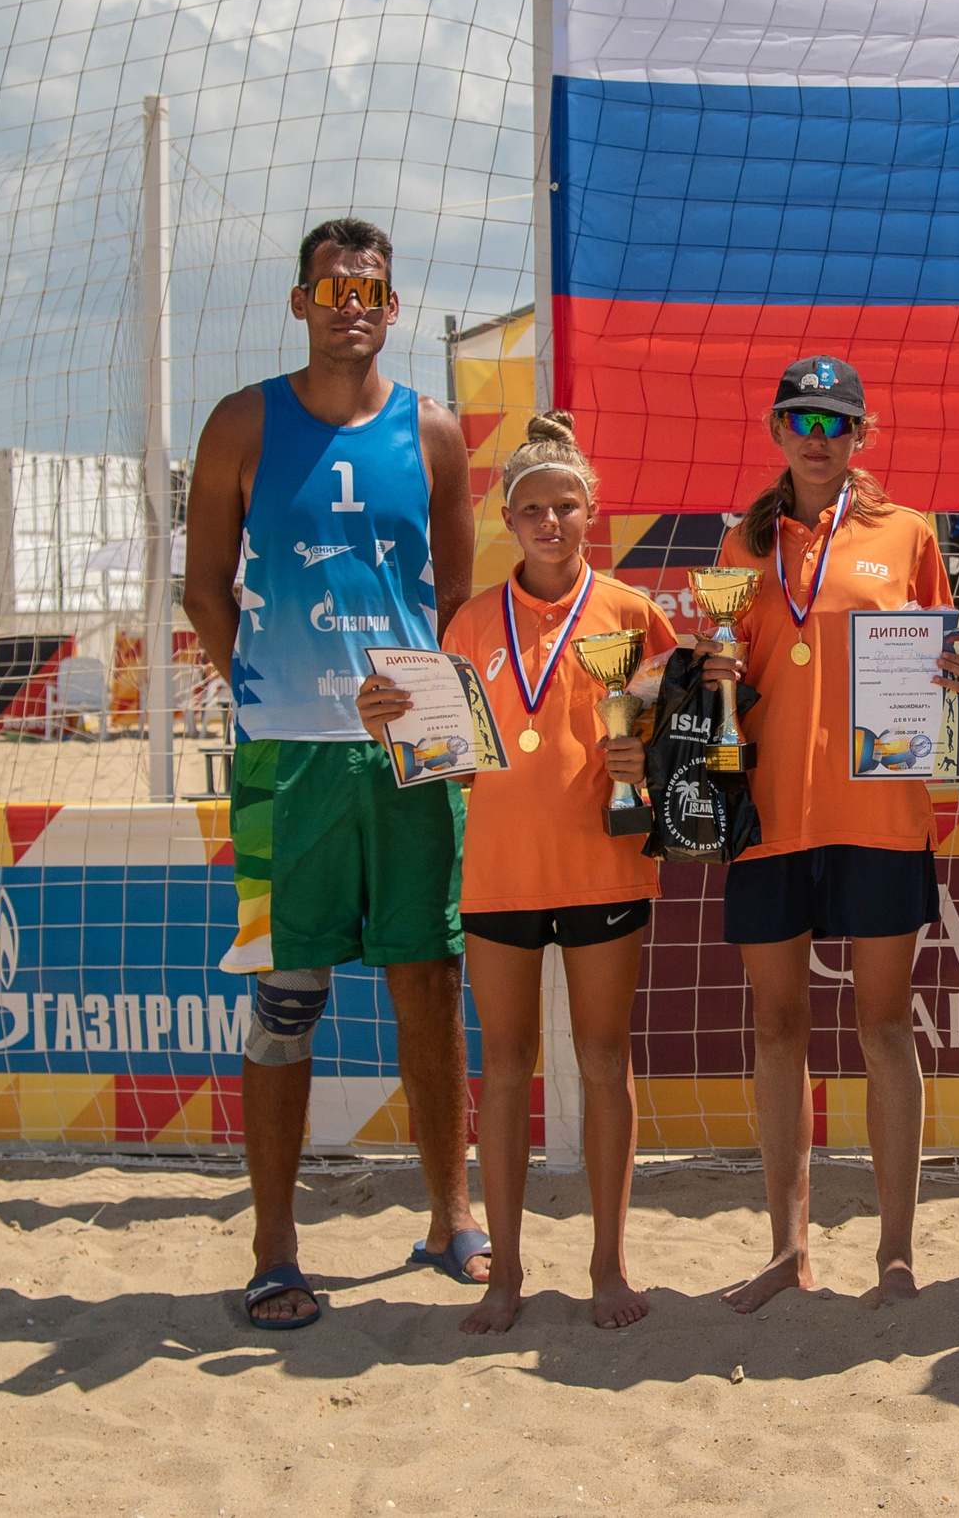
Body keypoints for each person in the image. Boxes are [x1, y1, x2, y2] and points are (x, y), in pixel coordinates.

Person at [180, 218, 487, 1329]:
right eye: (330, 289)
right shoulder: (242, 421)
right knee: (286, 996)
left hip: (410, 759)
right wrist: (267, 692)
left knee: (426, 982)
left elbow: (455, 597)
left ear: (392, 308)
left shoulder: (433, 430)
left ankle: (451, 1215)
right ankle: (274, 1248)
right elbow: (203, 588)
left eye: (368, 291)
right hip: (288, 762)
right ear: (301, 303)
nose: (349, 306)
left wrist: (426, 707)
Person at [359, 413, 676, 1334]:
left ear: (591, 512)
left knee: (604, 1059)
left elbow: (683, 734)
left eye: (565, 506)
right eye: (532, 508)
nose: (549, 522)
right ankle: (506, 1272)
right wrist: (394, 725)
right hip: (499, 874)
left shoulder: (631, 614)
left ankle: (609, 1264)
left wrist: (647, 758)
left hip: (605, 866)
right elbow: (457, 765)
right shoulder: (467, 623)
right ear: (507, 519)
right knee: (505, 1068)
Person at [699, 355, 959, 1313]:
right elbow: (727, 679)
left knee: (883, 1025)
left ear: (862, 435)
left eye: (835, 423)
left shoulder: (907, 532)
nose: (817, 438)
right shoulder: (739, 546)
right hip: (768, 818)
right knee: (777, 1028)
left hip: (877, 815)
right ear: (776, 430)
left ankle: (895, 1252)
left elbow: (950, 659)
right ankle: (788, 1248)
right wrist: (710, 672)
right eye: (801, 420)